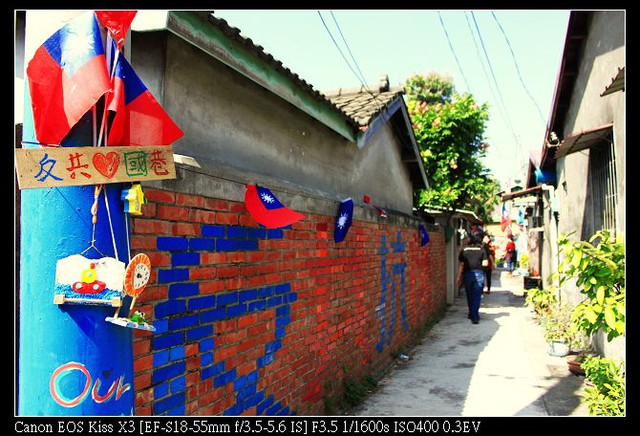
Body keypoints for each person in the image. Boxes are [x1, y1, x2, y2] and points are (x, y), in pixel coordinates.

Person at [457, 230, 489, 324]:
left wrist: (458, 277)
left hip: (467, 274)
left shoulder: (465, 250)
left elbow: (461, 265)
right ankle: (475, 316)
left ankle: (471, 313)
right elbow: (485, 263)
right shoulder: (482, 249)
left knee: (469, 295)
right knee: (477, 296)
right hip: (478, 274)